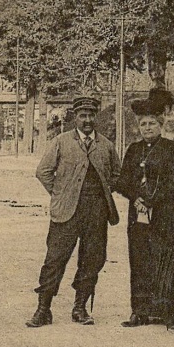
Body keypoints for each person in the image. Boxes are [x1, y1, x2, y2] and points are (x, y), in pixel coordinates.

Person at [28, 94, 120, 327]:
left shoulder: (106, 145)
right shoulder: (61, 142)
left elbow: (117, 175)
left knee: (92, 260)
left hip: (96, 211)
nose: (87, 120)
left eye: (90, 115)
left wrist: (104, 193)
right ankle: (43, 310)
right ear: (74, 118)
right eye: (82, 116)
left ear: (95, 117)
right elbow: (44, 172)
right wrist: (60, 194)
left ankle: (80, 308)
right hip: (66, 212)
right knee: (55, 259)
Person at [114, 92, 174, 328]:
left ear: (160, 125)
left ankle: (167, 310)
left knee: (165, 260)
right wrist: (136, 197)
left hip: (164, 215)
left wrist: (152, 201)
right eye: (143, 124)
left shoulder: (171, 148)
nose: (147, 128)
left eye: (152, 123)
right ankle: (140, 310)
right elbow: (123, 180)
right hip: (138, 215)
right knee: (139, 259)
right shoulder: (133, 150)